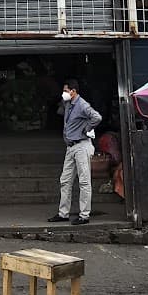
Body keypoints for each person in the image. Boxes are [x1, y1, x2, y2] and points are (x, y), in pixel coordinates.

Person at [49, 78, 102, 226]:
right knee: (65, 180)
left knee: (84, 181)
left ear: (73, 91)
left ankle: (84, 215)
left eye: (66, 91)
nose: (64, 93)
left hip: (81, 146)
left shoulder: (82, 105)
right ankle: (63, 213)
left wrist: (86, 129)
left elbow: (97, 117)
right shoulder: (68, 104)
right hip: (71, 146)